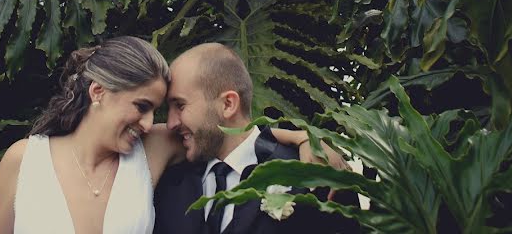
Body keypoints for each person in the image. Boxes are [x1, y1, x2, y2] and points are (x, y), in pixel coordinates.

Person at [0, 37, 342, 234]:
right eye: (142, 106)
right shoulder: (24, 159)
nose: (154, 122)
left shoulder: (150, 149)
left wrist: (303, 138)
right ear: (98, 92)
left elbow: (232, 134)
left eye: (162, 108)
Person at [153, 43, 358, 234]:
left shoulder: (310, 170)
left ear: (227, 104)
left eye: (180, 105)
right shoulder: (170, 181)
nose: (171, 123)